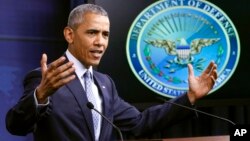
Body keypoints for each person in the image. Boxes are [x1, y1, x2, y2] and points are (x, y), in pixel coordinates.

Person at [5, 3, 217, 141]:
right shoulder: (46, 79)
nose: (100, 42)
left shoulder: (105, 83)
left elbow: (139, 123)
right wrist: (40, 95)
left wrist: (189, 97)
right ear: (70, 34)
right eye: (92, 33)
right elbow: (15, 125)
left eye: (105, 34)